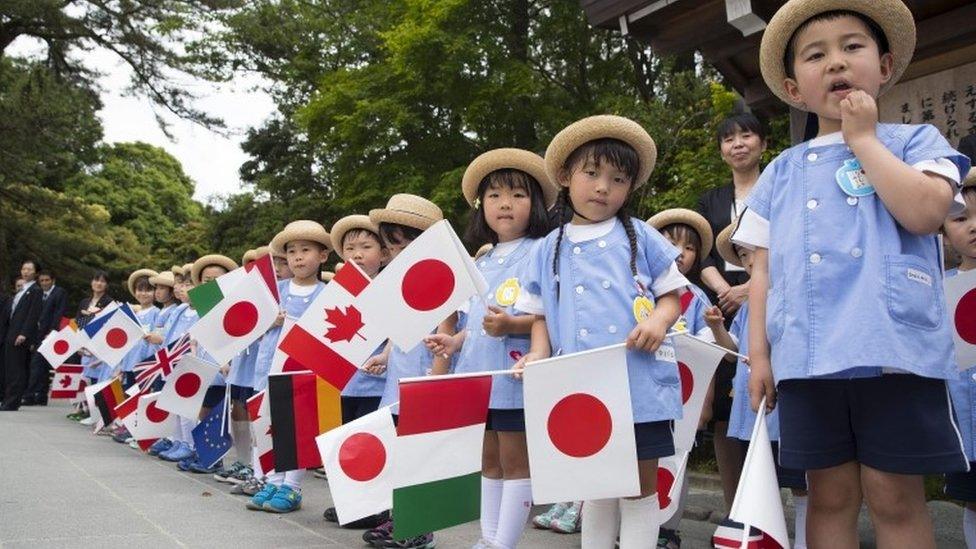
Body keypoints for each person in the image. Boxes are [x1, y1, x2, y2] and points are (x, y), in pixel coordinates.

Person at [736, 1, 971, 546]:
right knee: (828, 495)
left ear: (885, 67)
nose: (836, 63)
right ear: (795, 89)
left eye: (852, 47)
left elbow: (925, 213)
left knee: (895, 495)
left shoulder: (916, 142)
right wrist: (761, 358)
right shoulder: (778, 172)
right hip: (807, 358)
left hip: (893, 350)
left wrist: (863, 139)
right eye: (816, 56)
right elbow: (763, 271)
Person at [513, 115, 688, 548]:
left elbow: (673, 296)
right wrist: (537, 352)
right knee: (594, 489)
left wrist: (657, 320)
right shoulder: (545, 248)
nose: (603, 187)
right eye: (591, 173)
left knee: (638, 488)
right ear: (565, 176)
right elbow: (539, 315)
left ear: (630, 187)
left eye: (617, 178)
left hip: (639, 385)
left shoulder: (643, 236)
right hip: (579, 389)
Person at [426, 149, 556, 549]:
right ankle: (487, 539)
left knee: (517, 462)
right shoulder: (481, 260)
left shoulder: (542, 249)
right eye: (495, 195)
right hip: (478, 376)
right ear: (481, 206)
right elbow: (478, 324)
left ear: (535, 204)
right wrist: (454, 340)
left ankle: (504, 543)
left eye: (518, 195)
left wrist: (509, 325)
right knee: (488, 462)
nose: (505, 204)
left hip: (516, 376)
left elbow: (548, 317)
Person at [714, 223, 809, 548]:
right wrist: (716, 327)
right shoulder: (746, 306)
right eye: (742, 254)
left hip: (783, 408)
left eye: (754, 251)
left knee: (799, 479)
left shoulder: (791, 293)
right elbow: (732, 349)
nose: (750, 259)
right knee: (756, 475)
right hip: (752, 409)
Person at [361, 193, 444, 549]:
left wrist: (438, 373)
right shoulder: (397, 280)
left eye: (406, 245)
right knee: (397, 449)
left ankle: (419, 526)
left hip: (425, 376)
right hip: (398, 378)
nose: (399, 253)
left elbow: (447, 326)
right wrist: (387, 353)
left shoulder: (442, 275)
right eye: (393, 247)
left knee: (420, 454)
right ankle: (399, 517)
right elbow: (400, 326)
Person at [645, 208, 732, 548]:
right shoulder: (639, 289)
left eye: (688, 247)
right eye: (668, 243)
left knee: (674, 463)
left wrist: (706, 403)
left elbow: (706, 356)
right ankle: (631, 528)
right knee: (638, 465)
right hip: (641, 395)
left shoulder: (697, 299)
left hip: (681, 401)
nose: (678, 253)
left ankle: (668, 530)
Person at [695, 112, 768, 509]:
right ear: (722, 150)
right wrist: (727, 291)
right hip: (721, 306)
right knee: (726, 408)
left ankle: (771, 513)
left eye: (747, 135)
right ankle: (733, 512)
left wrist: (751, 288)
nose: (738, 143)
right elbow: (702, 252)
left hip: (772, 295)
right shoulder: (713, 200)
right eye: (729, 139)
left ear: (763, 143)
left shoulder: (779, 186)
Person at [246, 220, 331, 514]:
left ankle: (292, 487)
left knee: (298, 429)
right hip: (268, 368)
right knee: (270, 425)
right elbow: (249, 326)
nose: (297, 257)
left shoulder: (327, 293)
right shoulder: (273, 291)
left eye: (306, 250)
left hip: (304, 374)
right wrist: (270, 320)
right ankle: (272, 479)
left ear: (322, 256)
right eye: (292, 251)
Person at [319, 215, 390, 527]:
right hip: (340, 381)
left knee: (372, 445)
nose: (357, 254)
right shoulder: (335, 291)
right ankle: (350, 503)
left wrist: (385, 355)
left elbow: (397, 333)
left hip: (376, 383)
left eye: (366, 246)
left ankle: (376, 508)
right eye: (350, 248)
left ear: (384, 253)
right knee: (344, 444)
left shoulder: (390, 288)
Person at [944, 160, 976, 547]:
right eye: (960, 218)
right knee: (972, 500)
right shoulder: (939, 290)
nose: (973, 226)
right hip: (964, 422)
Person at [1, 260, 44, 411]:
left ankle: (12, 402)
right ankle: (7, 399)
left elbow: (33, 314)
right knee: (8, 368)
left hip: (20, 335)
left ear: (35, 273)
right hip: (10, 332)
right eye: (23, 269)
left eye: (29, 269)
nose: (25, 272)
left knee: (16, 369)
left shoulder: (36, 291)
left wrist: (24, 333)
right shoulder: (21, 290)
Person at [23, 269, 69, 405]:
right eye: (41, 281)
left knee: (36, 364)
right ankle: (41, 396)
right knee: (41, 365)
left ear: (53, 280)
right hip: (37, 334)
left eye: (47, 280)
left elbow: (59, 313)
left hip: (50, 334)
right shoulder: (38, 293)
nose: (44, 283)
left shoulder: (59, 293)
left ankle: (29, 395)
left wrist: (52, 331)